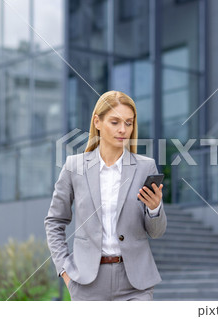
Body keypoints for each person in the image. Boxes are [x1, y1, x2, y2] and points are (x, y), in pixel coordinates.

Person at [44, 90, 167, 301]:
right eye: (115, 122)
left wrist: (155, 209)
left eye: (129, 123)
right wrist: (64, 270)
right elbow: (54, 221)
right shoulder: (74, 167)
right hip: (87, 284)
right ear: (97, 122)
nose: (123, 130)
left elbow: (156, 233)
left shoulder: (145, 167)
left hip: (135, 284)